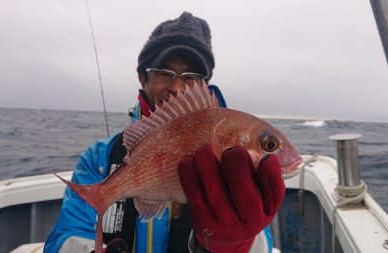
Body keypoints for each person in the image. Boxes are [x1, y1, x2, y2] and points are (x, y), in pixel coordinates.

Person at [44, 12, 285, 253]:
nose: (177, 87)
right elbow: (62, 239)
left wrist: (238, 244)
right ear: (143, 78)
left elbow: (262, 246)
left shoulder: (238, 159)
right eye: (163, 73)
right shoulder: (99, 158)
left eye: (191, 77)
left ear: (204, 84)